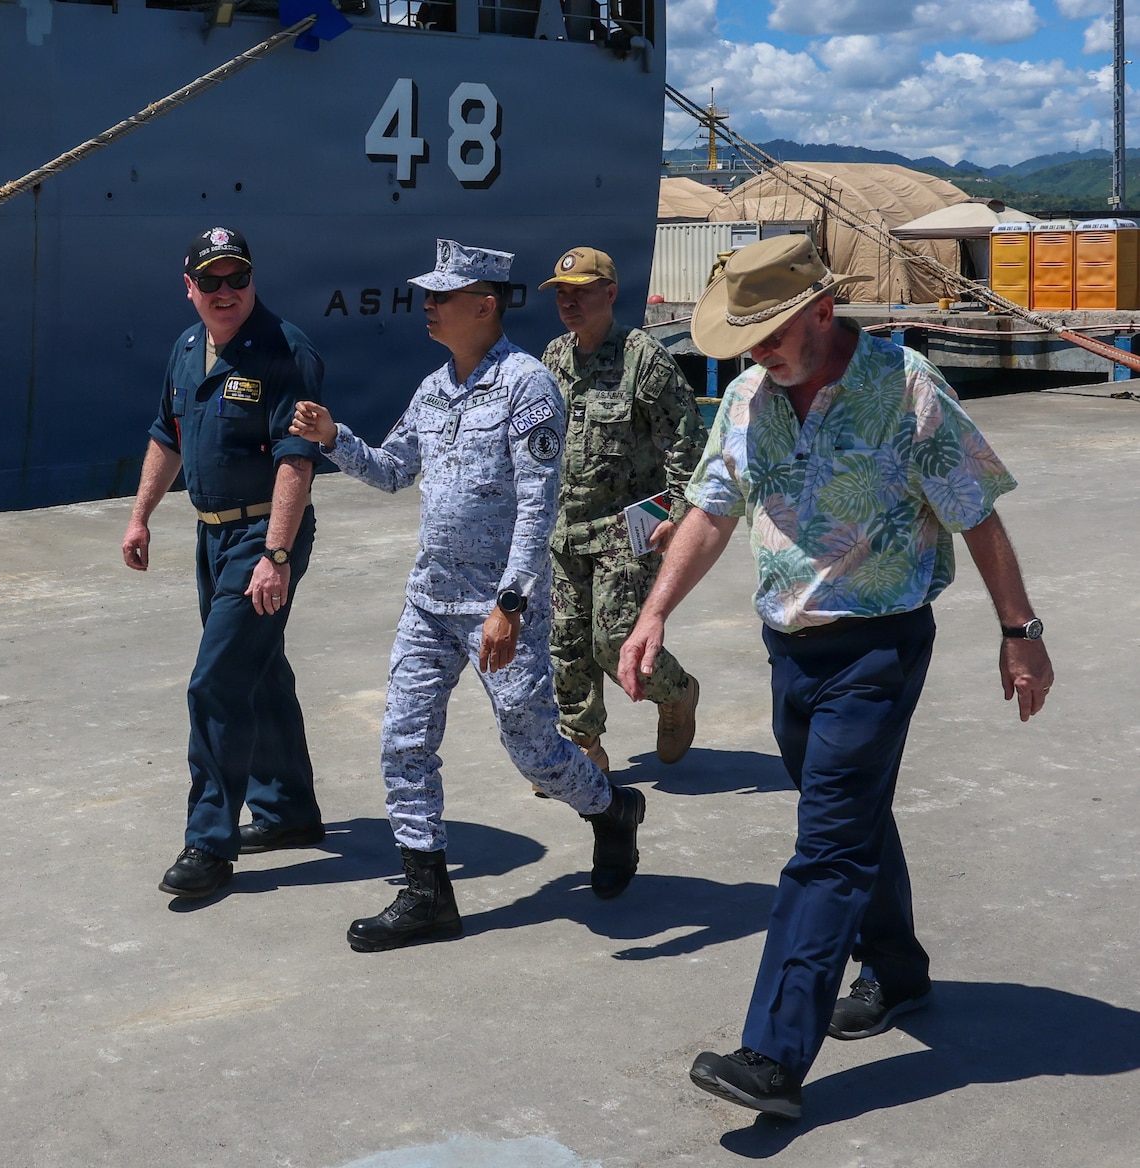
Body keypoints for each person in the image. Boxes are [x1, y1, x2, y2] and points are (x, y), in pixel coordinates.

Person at [616, 235, 1054, 1119]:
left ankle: (772, 1055)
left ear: (822, 310)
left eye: (771, 332)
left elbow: (977, 515)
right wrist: (656, 610)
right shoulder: (746, 396)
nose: (758, 352)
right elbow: (709, 509)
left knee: (826, 849)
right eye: (747, 339)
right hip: (791, 647)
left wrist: (1020, 630)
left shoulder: (906, 389)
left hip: (879, 645)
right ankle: (897, 972)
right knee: (851, 818)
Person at [290, 239, 646, 953]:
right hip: (430, 601)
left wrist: (510, 605)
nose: (427, 305)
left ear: (484, 305)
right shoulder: (432, 389)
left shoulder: (526, 387)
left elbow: (538, 505)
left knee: (534, 750)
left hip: (497, 606)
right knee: (403, 740)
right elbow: (394, 470)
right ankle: (427, 894)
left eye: (441, 296)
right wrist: (335, 439)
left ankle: (612, 810)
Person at [122, 226, 325, 901]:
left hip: (265, 537)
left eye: (237, 277)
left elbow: (297, 459)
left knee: (215, 682)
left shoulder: (284, 351)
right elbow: (166, 436)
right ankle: (289, 808)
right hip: (212, 539)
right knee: (256, 669)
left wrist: (276, 555)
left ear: (252, 280)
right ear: (189, 287)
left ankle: (209, 841)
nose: (225, 291)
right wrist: (140, 514)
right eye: (210, 280)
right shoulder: (187, 350)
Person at [539, 246, 706, 778]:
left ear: (610, 294)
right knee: (564, 642)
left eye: (581, 292)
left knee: (613, 642)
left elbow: (684, 440)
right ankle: (582, 747)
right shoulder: (554, 359)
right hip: (565, 528)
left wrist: (679, 515)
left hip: (627, 529)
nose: (570, 302)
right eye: (563, 293)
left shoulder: (643, 358)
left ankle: (677, 691)